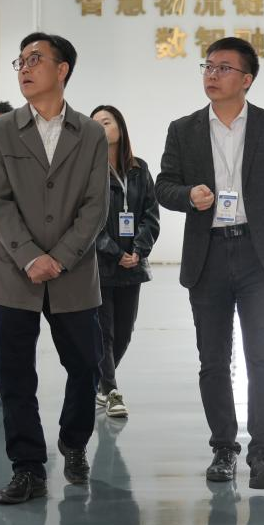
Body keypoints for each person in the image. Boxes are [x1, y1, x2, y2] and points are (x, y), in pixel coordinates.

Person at [155, 35, 264, 490]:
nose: (212, 75)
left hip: (260, 255)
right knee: (213, 360)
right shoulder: (183, 129)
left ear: (247, 79)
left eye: (223, 68)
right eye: (208, 66)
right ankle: (224, 448)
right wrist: (188, 196)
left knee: (262, 358)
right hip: (209, 255)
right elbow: (164, 185)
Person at [0, 32, 108, 504]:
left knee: (85, 365)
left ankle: (73, 442)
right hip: (14, 272)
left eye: (35, 59)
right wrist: (31, 256)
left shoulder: (90, 133)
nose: (25, 68)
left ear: (62, 69)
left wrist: (62, 256)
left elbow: (95, 205)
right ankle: (28, 467)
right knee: (16, 373)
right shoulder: (1, 131)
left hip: (73, 273)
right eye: (20, 61)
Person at [91, 104, 160, 419]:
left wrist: (138, 251)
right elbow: (88, 220)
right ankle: (112, 391)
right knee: (103, 332)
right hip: (100, 265)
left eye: (106, 121)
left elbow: (150, 213)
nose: (101, 127)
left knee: (124, 332)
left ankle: (101, 383)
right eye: (95, 123)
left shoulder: (139, 169)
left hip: (133, 264)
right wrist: (115, 253)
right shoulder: (88, 171)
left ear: (120, 127)